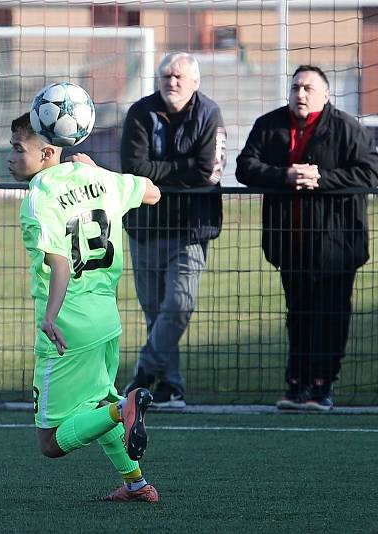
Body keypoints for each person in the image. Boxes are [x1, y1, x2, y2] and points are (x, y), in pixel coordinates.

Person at [8, 113, 162, 502]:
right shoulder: (97, 178)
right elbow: (152, 192)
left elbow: (59, 262)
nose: (9, 157)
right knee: (98, 401)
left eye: (16, 149)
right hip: (106, 320)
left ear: (46, 151)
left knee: (49, 442)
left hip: (68, 327)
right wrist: (101, 173)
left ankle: (122, 411)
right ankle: (136, 484)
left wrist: (49, 316)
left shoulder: (39, 197)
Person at [235, 65, 378, 412]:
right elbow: (244, 167)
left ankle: (322, 385)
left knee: (331, 314)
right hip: (290, 243)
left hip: (337, 246)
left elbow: (371, 171)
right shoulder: (269, 126)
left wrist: (321, 179)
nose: (301, 94)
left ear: (326, 95)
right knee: (298, 314)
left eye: (308, 89)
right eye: (296, 87)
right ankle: (296, 384)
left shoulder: (346, 128)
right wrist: (284, 175)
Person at [120, 51, 226, 408]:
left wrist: (157, 172)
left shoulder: (209, 114)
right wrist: (179, 170)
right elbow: (134, 167)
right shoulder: (140, 112)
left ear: (195, 82)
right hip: (144, 227)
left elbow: (208, 171)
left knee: (179, 305)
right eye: (166, 76)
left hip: (190, 229)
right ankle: (171, 388)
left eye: (179, 76)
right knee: (156, 312)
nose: (172, 82)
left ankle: (143, 374)